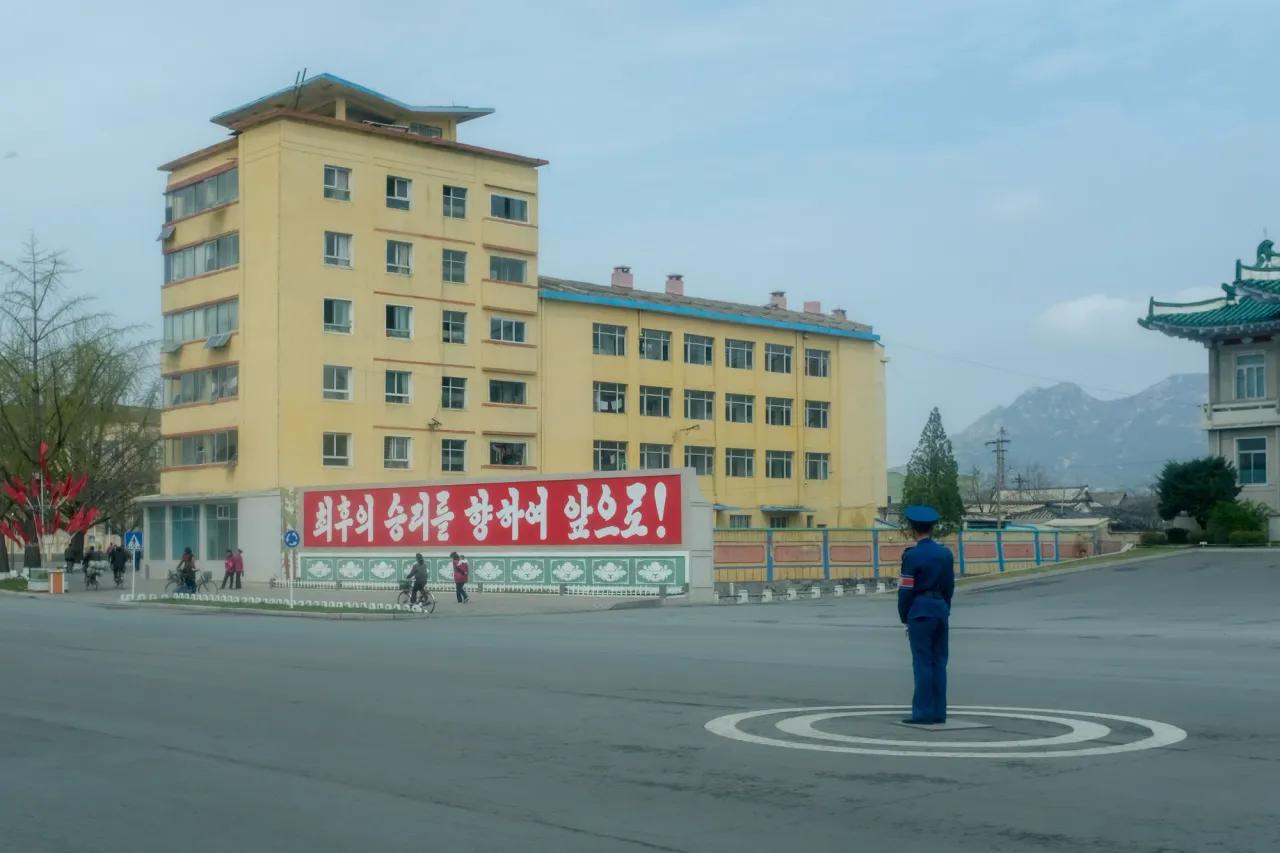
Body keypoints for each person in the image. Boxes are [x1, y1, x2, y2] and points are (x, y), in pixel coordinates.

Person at [897, 505, 955, 725]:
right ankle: (939, 712)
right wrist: (945, 608)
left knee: (922, 662)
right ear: (932, 528)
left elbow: (906, 590)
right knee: (939, 661)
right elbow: (950, 587)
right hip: (940, 609)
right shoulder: (945, 554)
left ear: (913, 529)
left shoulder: (911, 556)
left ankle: (922, 713)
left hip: (919, 611)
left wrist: (905, 616)